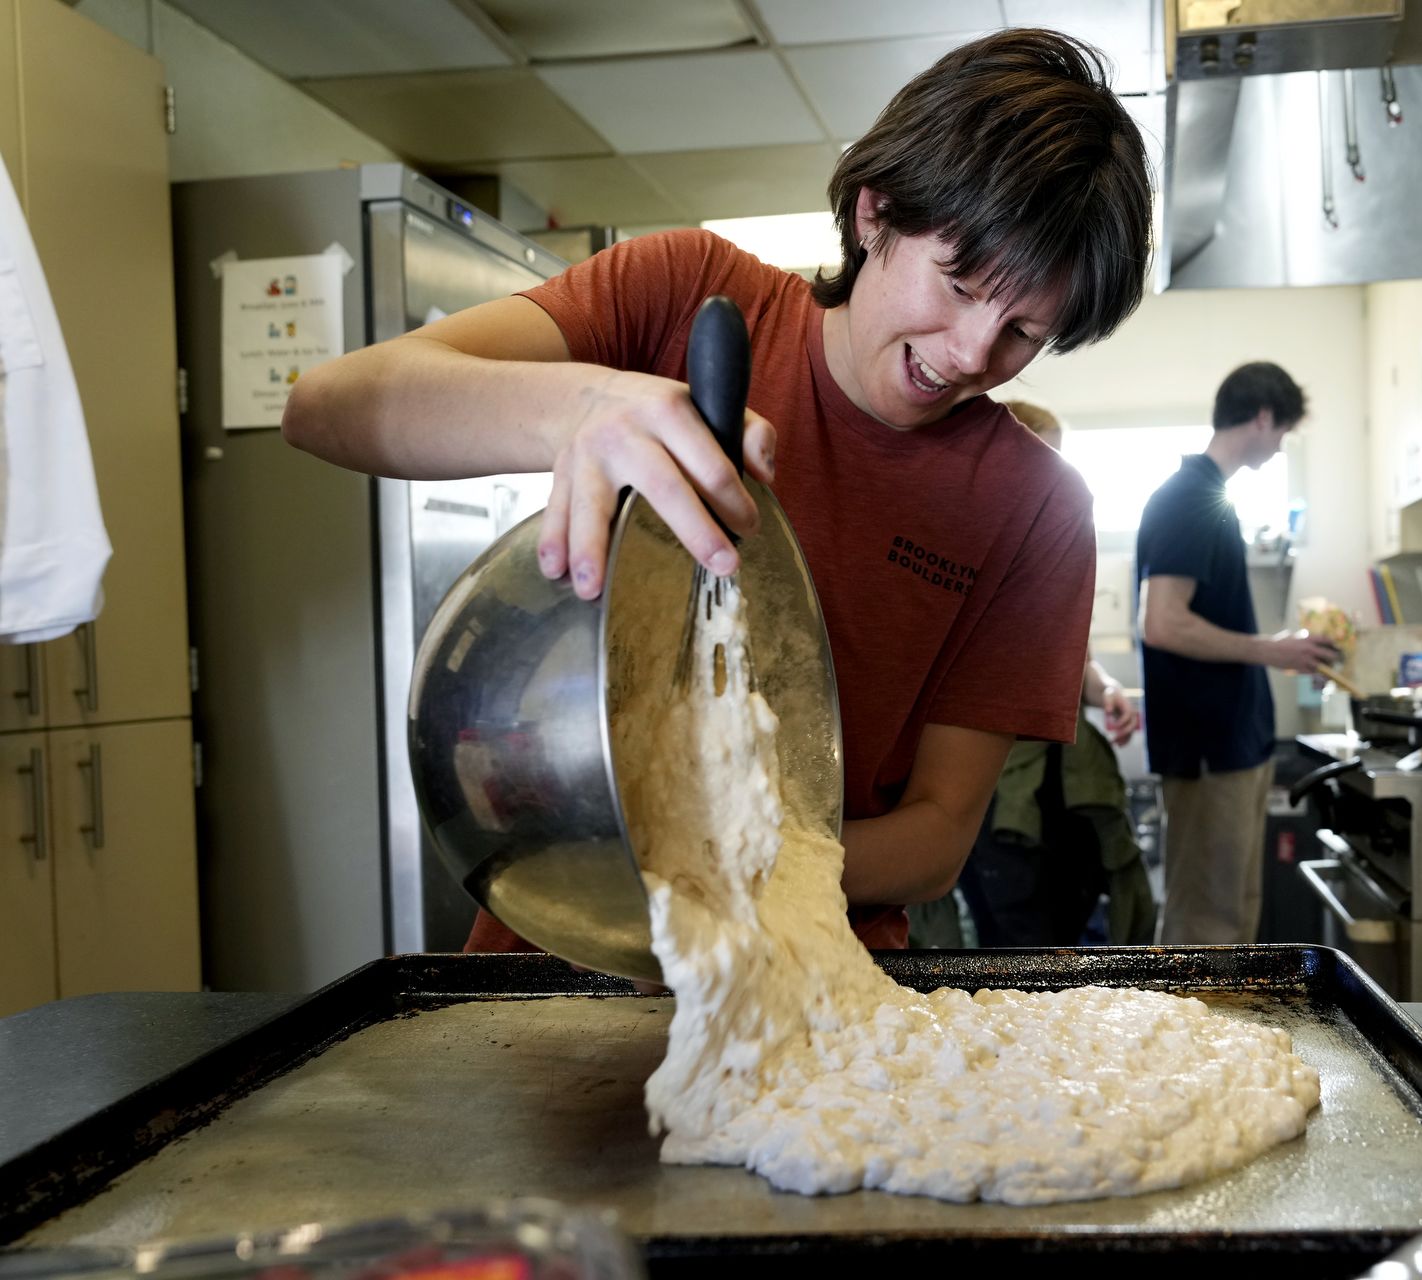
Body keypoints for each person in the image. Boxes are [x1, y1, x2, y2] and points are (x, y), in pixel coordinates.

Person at [282, 29, 1153, 955]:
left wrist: (720, 862)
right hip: (566, 936)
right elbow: (326, 408)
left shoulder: (1037, 510)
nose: (973, 355)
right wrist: (585, 404)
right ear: (877, 214)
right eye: (961, 283)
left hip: (816, 972)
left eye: (1023, 331)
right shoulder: (684, 292)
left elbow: (937, 837)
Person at [909, 398, 1155, 949]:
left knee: (1066, 934)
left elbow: (1076, 659)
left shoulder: (1055, 549)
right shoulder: (959, 555)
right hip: (995, 789)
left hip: (1065, 790)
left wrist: (1108, 690)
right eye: (1039, 463)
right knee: (1013, 941)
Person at [1134, 362, 1340, 944]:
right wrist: (1272, 651)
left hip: (1234, 745)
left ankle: (1220, 1037)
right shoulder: (1187, 498)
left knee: (1231, 918)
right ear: (1263, 416)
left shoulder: (1212, 498)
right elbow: (1163, 623)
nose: (1279, 447)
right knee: (1205, 927)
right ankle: (1187, 1038)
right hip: (1207, 747)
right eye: (1282, 432)